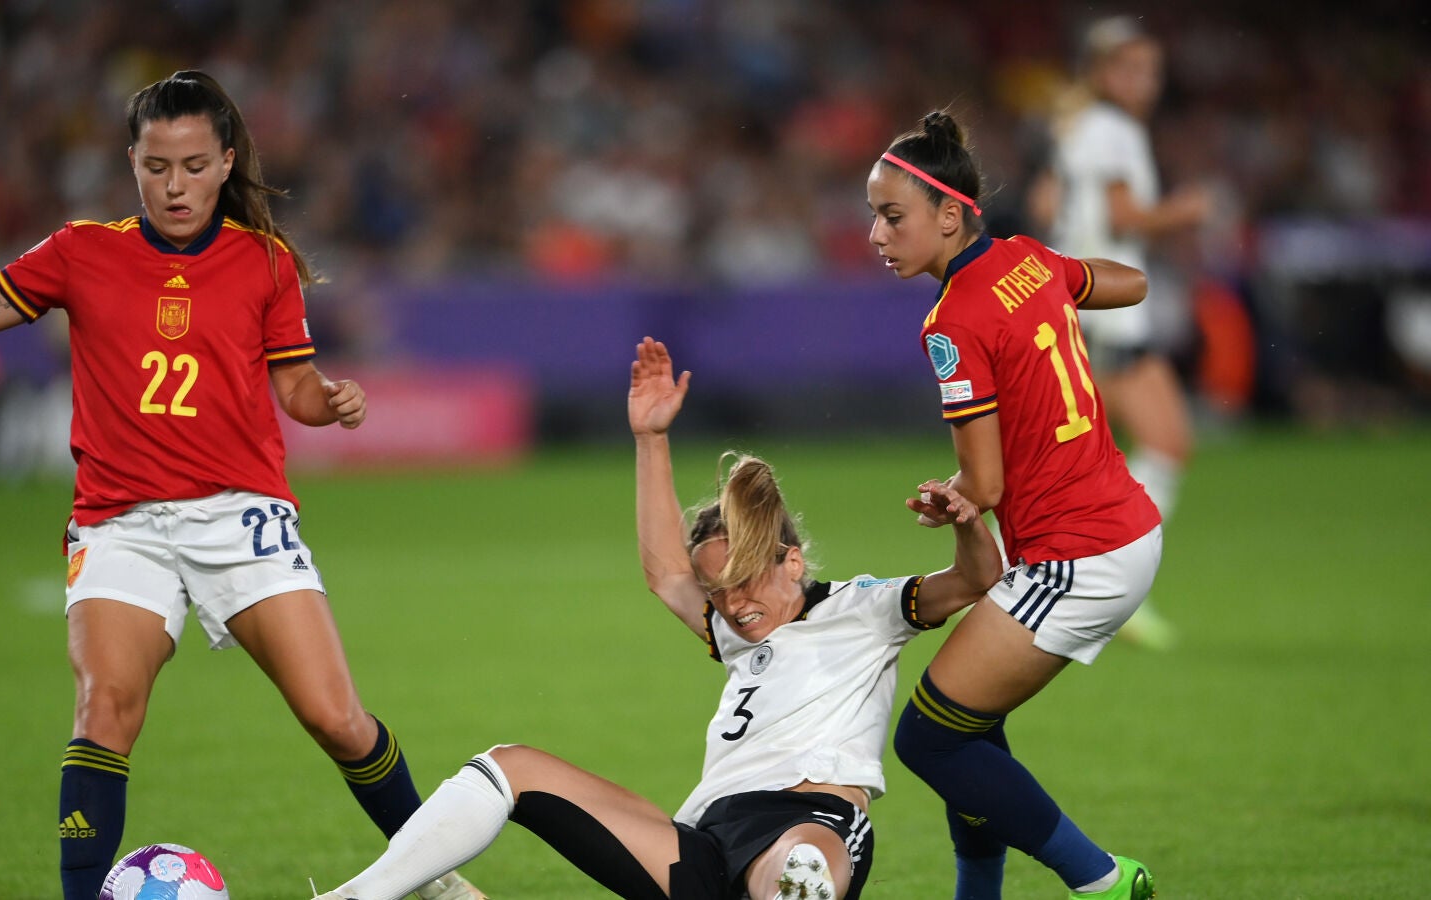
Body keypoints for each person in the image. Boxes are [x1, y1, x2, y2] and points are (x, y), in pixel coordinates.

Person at [0, 70, 482, 900]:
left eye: (192, 166)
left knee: (336, 719)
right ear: (131, 164)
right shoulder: (81, 251)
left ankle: (435, 878)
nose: (174, 186)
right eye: (156, 167)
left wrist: (330, 401)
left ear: (225, 163)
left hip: (241, 516)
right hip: (120, 523)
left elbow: (296, 387)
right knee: (104, 710)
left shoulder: (264, 262)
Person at [306, 336, 1004, 900]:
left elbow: (976, 579)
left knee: (800, 873)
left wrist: (968, 522)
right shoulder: (733, 631)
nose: (732, 604)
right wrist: (649, 437)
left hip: (809, 820)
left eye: (744, 581)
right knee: (508, 766)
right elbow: (666, 573)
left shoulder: (864, 607)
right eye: (717, 591)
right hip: (702, 838)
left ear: (793, 562)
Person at [866, 111, 1164, 900]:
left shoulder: (951, 322)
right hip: (1121, 526)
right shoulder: (1029, 259)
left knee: (928, 741)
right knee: (971, 723)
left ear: (949, 215)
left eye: (892, 216)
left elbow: (987, 487)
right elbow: (1130, 284)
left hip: (1078, 554)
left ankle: (1103, 882)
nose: (876, 234)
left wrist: (951, 498)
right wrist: (1064, 286)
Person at [1038, 15, 1212, 649]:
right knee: (1166, 441)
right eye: (1132, 69)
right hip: (1103, 311)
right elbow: (1122, 216)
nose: (1146, 82)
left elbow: (1044, 202)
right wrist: (1185, 211)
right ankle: (1113, 584)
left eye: (1152, 70)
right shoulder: (1113, 130)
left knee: (1071, 463)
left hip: (1076, 308)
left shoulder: (1077, 127)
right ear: (1102, 73)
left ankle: (1045, 573)